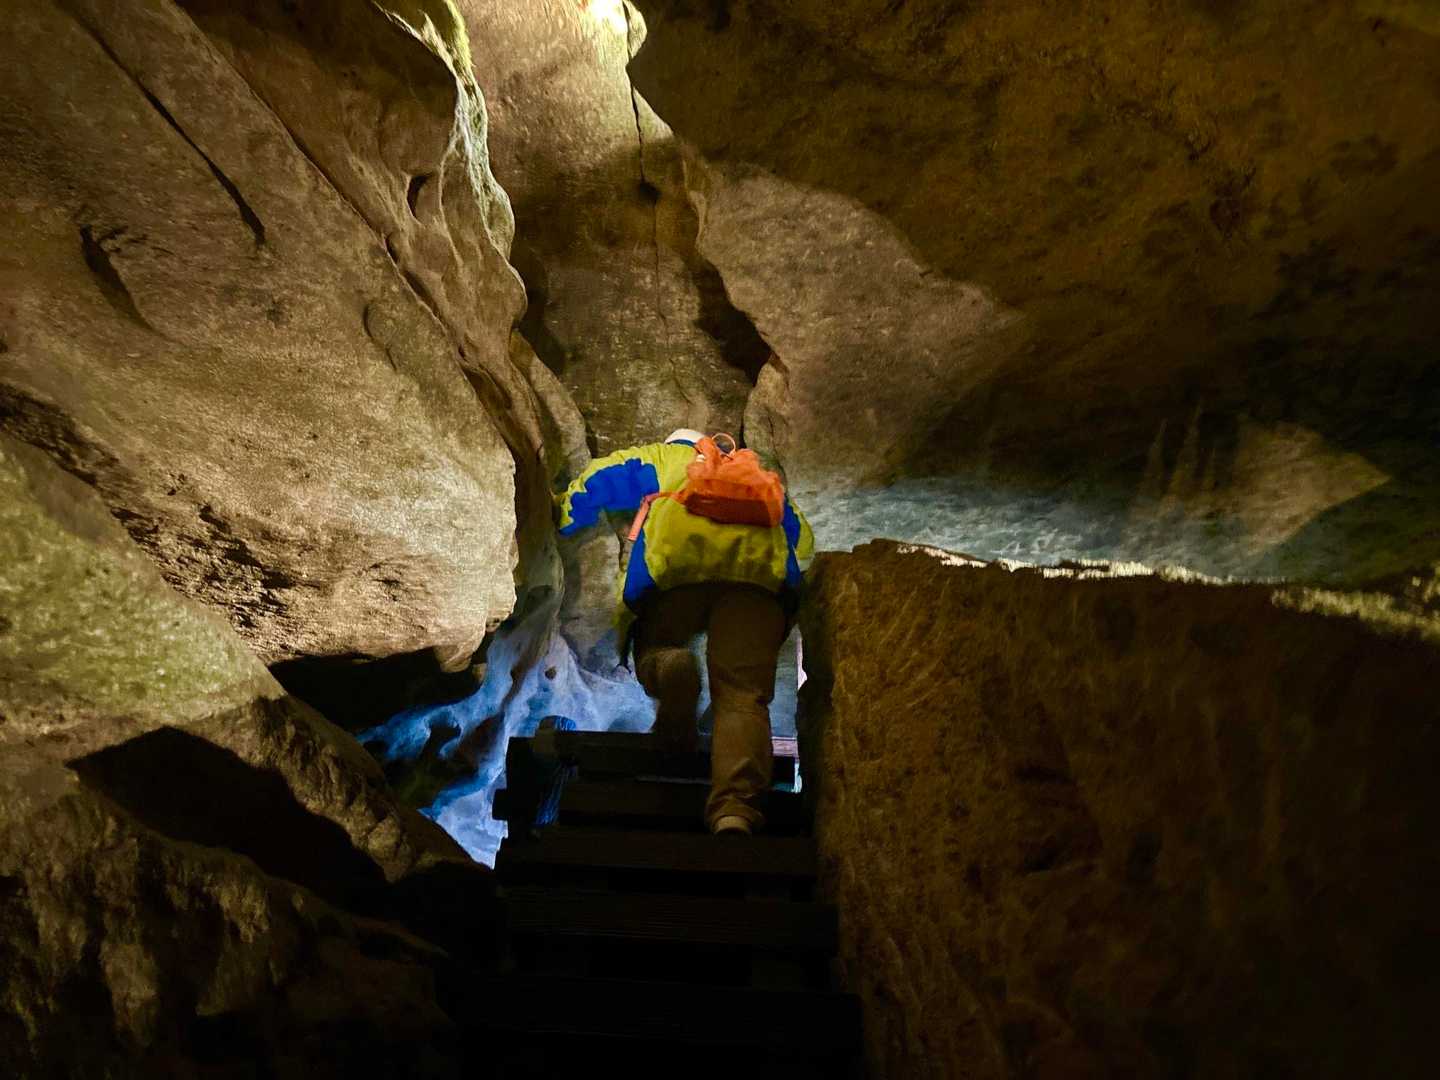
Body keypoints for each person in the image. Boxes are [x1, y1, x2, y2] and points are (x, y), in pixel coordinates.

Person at [556, 429, 815, 836]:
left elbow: (601, 476)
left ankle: (671, 666)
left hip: (678, 582)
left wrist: (566, 514)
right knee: (742, 695)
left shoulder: (664, 459)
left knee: (656, 647)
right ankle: (735, 811)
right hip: (756, 590)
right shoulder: (754, 474)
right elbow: (802, 538)